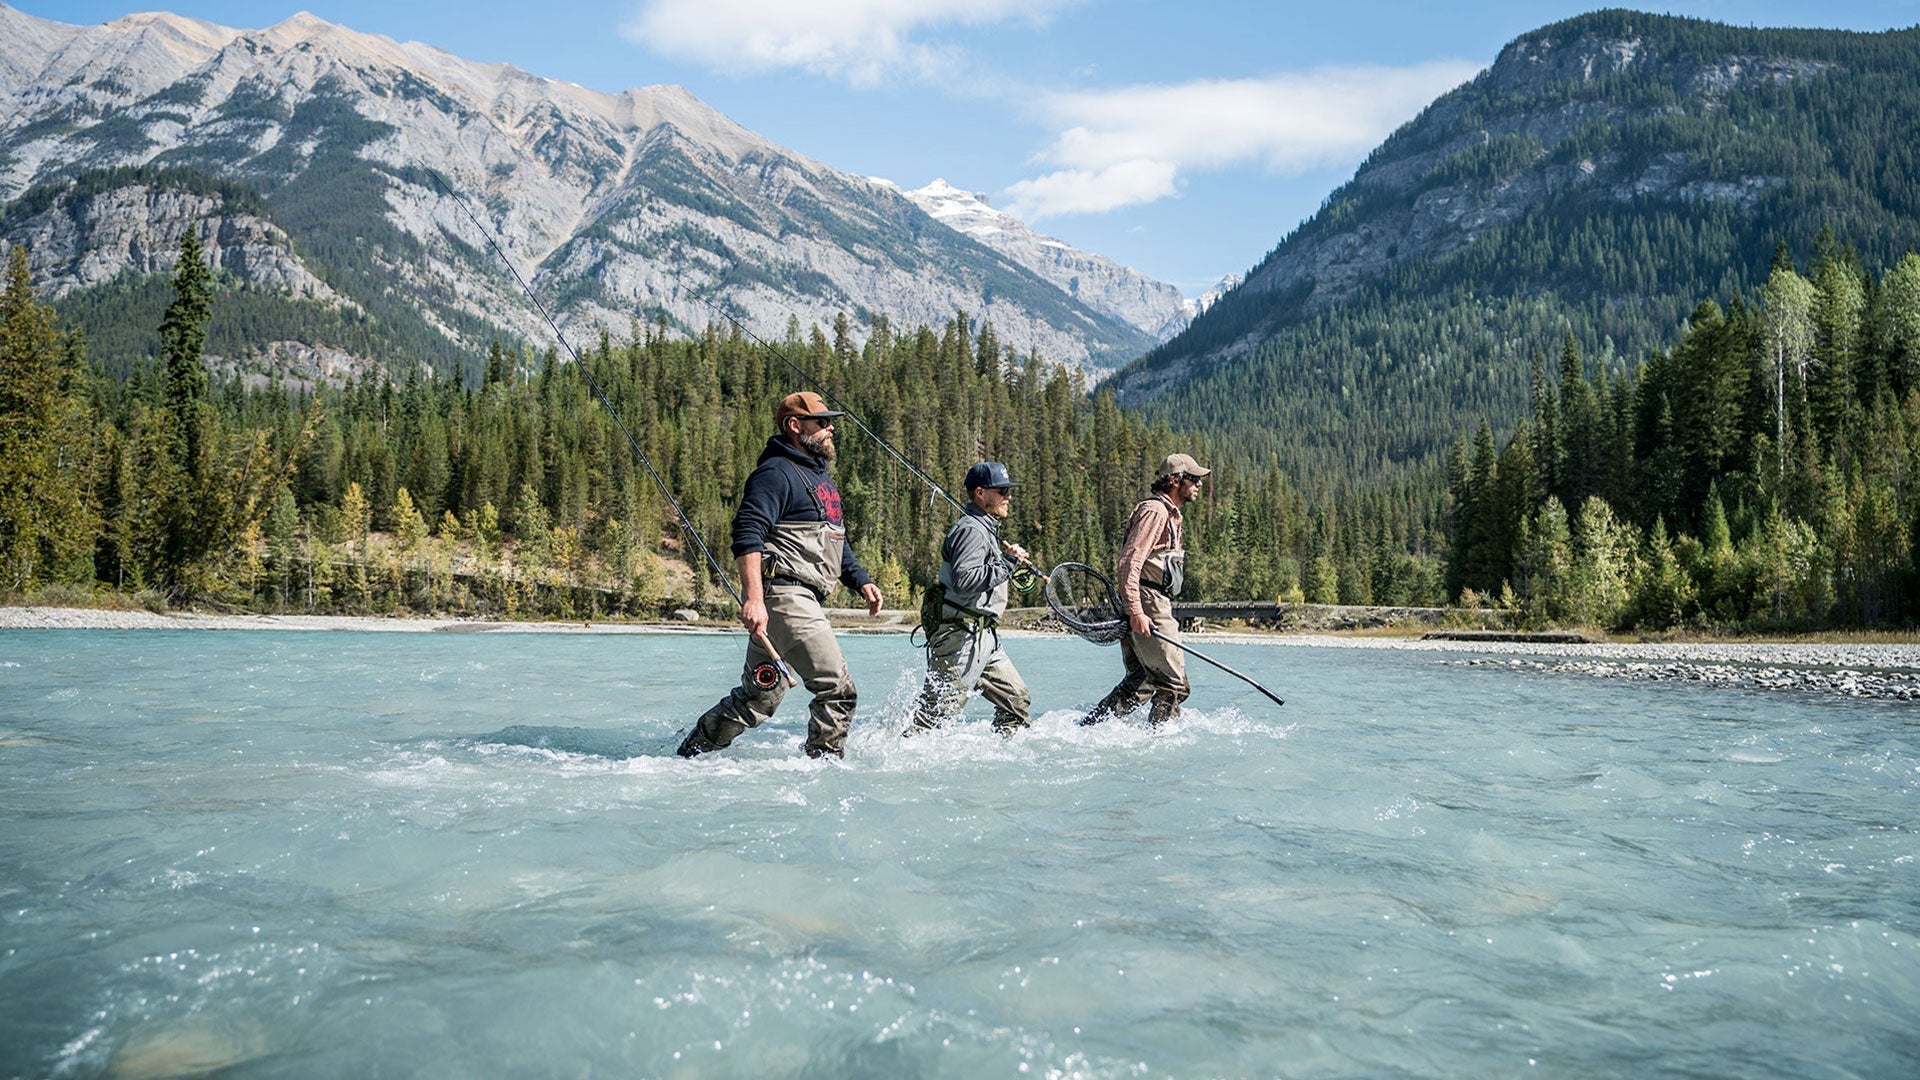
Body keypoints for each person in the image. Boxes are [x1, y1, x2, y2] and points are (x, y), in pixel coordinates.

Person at [678, 391, 884, 759]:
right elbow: (747, 533)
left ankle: (689, 755)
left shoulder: (819, 478)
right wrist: (753, 599)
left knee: (759, 696)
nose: (830, 428)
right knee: (837, 689)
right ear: (795, 426)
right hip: (786, 598)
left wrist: (861, 580)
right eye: (822, 422)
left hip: (795, 601)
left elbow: (836, 540)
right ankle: (822, 772)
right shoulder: (775, 474)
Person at [1081, 452, 1211, 727]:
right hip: (1148, 601)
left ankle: (1090, 729)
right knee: (1173, 684)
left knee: (1140, 682)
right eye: (1194, 479)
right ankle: (1160, 741)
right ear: (1176, 481)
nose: (1199, 484)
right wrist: (1136, 611)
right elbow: (1130, 561)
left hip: (1147, 600)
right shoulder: (1156, 511)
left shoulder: (1169, 513)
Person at [904, 462, 1033, 737]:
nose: (1008, 496)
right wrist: (1009, 564)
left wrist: (1007, 562)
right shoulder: (971, 530)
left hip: (984, 637)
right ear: (980, 493)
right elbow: (965, 582)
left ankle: (999, 763)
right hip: (961, 637)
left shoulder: (984, 529)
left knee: (1015, 701)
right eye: (1002, 491)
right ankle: (897, 765)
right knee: (933, 721)